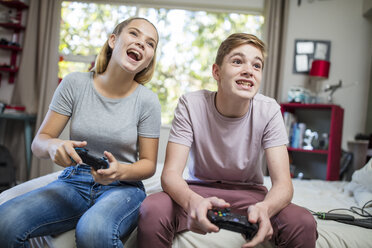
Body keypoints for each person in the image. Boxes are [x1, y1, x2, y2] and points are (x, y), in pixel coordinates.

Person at [137, 33, 317, 248]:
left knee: (303, 222)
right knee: (152, 209)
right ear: (217, 72)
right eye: (237, 61)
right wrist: (193, 201)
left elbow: (283, 185)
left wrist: (265, 209)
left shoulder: (269, 110)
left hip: (251, 196)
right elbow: (171, 175)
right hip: (198, 190)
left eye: (256, 65)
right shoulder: (190, 104)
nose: (249, 70)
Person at [0, 17, 161, 248]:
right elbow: (40, 142)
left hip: (123, 186)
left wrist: (119, 172)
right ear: (113, 40)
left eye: (150, 43)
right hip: (75, 181)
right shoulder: (75, 83)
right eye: (134, 34)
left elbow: (148, 164)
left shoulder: (148, 101)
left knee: (93, 230)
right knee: (4, 221)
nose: (141, 44)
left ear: (147, 61)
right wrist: (54, 146)